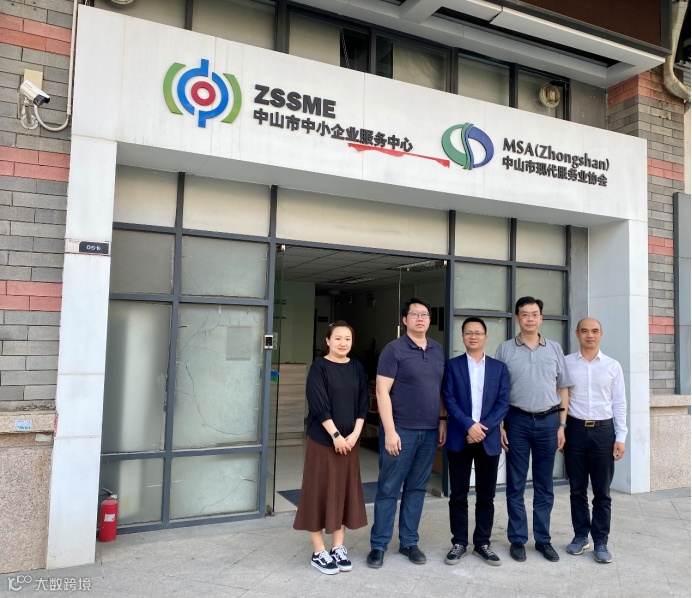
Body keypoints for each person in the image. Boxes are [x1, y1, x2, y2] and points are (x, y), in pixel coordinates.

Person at [367, 298, 447, 569]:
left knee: (416, 488)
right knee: (389, 488)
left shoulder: (437, 349)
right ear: (405, 320)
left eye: (425, 314)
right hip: (400, 430)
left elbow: (440, 390)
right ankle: (378, 545)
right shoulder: (394, 350)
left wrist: (442, 421)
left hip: (429, 431)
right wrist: (390, 431)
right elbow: (382, 392)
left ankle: (409, 542)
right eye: (414, 314)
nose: (420, 319)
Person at [496, 296, 572, 563]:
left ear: (541, 318)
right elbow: (498, 390)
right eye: (524, 314)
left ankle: (543, 540)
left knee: (544, 484)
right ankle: (517, 539)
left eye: (534, 314)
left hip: (549, 422)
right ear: (517, 318)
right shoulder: (505, 349)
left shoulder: (554, 348)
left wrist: (562, 425)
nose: (530, 318)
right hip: (516, 421)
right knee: (515, 483)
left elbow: (563, 388)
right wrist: (500, 424)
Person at [293, 321, 369, 575]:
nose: (343, 343)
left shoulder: (357, 367)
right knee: (318, 492)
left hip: (350, 443)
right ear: (327, 340)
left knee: (344, 493)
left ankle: (338, 548)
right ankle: (318, 552)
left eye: (347, 338)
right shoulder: (319, 368)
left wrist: (355, 434)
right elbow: (319, 405)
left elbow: (362, 403)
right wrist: (336, 435)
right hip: (324, 442)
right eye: (337, 338)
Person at [443, 317, 510, 566]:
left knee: (486, 495)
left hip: (487, 439)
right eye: (468, 332)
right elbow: (449, 399)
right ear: (462, 336)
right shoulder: (452, 366)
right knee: (458, 494)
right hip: (460, 437)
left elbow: (503, 402)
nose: (473, 336)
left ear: (485, 337)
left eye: (478, 333)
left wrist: (483, 428)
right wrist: (469, 425)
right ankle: (459, 542)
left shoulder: (499, 368)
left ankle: (482, 543)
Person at [564, 317, 627, 564]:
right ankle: (581, 536)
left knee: (602, 491)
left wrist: (621, 436)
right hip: (575, 430)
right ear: (576, 334)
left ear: (601, 334)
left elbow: (619, 403)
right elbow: (562, 399)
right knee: (577, 489)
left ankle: (601, 541)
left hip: (603, 432)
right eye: (584, 331)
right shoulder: (567, 363)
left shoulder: (612, 366)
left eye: (594, 331)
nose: (589, 335)